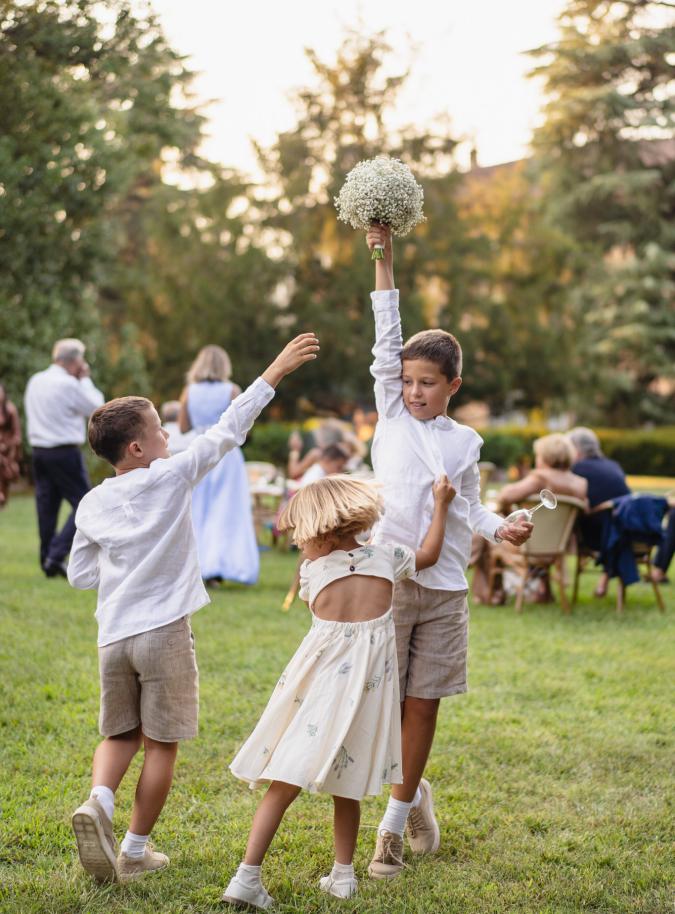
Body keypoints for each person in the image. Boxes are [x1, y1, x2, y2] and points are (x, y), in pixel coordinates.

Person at [66, 333, 319, 884]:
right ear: (137, 448)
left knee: (119, 735)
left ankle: (100, 802)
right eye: (159, 429)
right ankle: (134, 848)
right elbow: (230, 428)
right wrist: (275, 368)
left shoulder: (92, 502)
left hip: (112, 638)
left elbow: (80, 573)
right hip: (163, 634)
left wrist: (125, 569)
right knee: (161, 744)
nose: (168, 434)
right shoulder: (172, 475)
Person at [364, 224, 533, 879]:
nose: (414, 391)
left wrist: (500, 530)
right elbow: (384, 334)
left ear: (453, 384)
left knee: (422, 705)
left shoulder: (464, 444)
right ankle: (415, 791)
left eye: (428, 383)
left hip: (446, 590)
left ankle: (392, 827)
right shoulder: (391, 415)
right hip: (389, 578)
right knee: (384, 705)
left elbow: (468, 507)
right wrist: (384, 257)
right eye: (408, 380)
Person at [221, 473, 456, 909]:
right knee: (347, 785)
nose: (297, 545)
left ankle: (246, 877)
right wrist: (441, 505)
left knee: (283, 782)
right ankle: (343, 876)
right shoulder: (387, 558)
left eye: (301, 536)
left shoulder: (314, 572)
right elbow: (429, 553)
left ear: (324, 533)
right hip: (364, 699)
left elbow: (320, 600)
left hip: (312, 696)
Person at [471, 433, 588, 604]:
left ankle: (491, 594)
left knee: (487, 536)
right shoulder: (580, 483)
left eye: (538, 455)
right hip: (558, 547)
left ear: (546, 457)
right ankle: (543, 589)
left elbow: (505, 496)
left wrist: (508, 512)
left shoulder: (540, 478)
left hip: (528, 543)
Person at [178, 345, 259, 586]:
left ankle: (198, 565)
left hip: (199, 450)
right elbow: (243, 424)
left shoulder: (189, 392)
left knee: (198, 509)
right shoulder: (232, 390)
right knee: (226, 511)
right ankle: (219, 565)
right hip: (225, 454)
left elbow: (182, 427)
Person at [24, 339, 104, 577]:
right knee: (85, 503)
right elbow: (98, 407)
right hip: (64, 452)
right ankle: (56, 554)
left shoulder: (36, 380)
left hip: (39, 451)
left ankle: (47, 558)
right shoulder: (69, 384)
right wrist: (86, 379)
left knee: (46, 505)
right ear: (75, 361)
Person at [568, 427, 631, 597]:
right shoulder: (613, 465)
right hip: (626, 533)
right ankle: (604, 579)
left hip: (599, 537)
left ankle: (546, 583)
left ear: (575, 449)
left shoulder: (577, 469)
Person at [0, 382, 22, 508]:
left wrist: (7, 446)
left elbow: (17, 435)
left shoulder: (10, 410)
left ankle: (3, 496)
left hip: (8, 450)